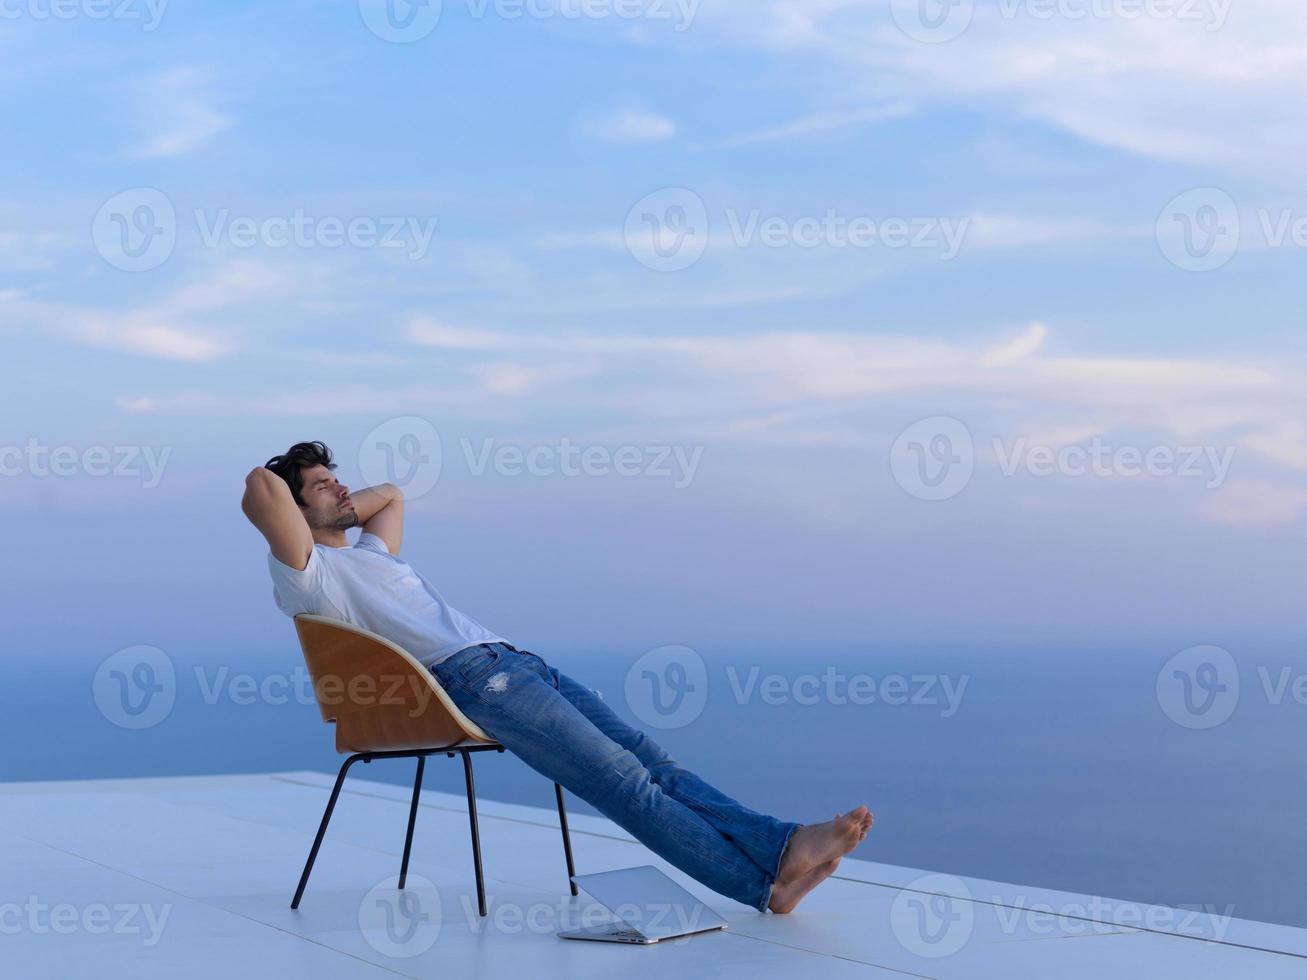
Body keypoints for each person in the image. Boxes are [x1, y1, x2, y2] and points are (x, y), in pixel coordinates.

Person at [242, 441, 872, 914]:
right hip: (467, 682)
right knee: (625, 784)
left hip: (511, 661)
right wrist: (304, 492)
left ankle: (776, 862)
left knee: (654, 761)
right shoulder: (308, 575)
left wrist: (339, 502)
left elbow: (394, 495)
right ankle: (767, 874)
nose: (343, 489)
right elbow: (258, 488)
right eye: (323, 486)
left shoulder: (368, 555)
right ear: (295, 511)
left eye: (338, 478)